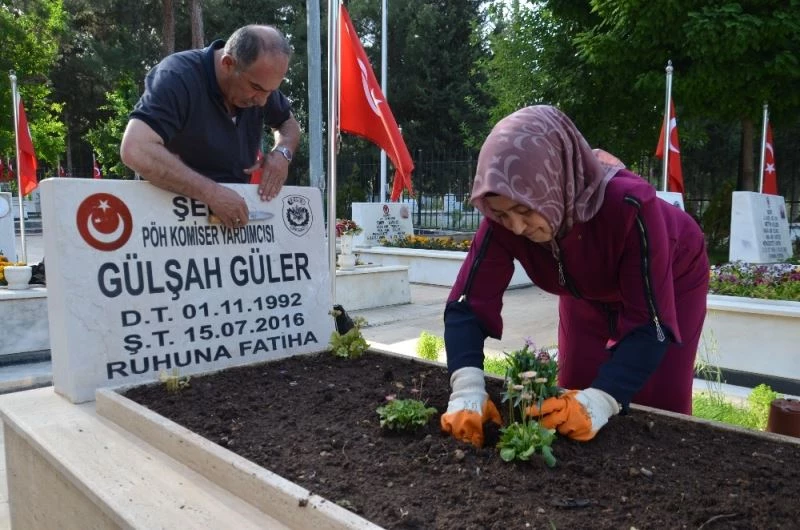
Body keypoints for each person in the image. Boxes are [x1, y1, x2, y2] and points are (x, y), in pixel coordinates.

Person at [440, 105, 709, 447]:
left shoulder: (629, 207)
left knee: (657, 398)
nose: (518, 227)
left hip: (673, 275)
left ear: (553, 185)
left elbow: (650, 325)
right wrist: (466, 389)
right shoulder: (502, 218)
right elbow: (467, 301)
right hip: (585, 287)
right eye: (505, 215)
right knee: (574, 393)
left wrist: (603, 401)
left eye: (525, 209)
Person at [120, 25, 301, 228]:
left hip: (228, 223)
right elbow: (136, 149)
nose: (262, 101)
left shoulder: (260, 83)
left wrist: (282, 153)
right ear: (228, 64)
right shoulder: (178, 76)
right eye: (256, 88)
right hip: (167, 225)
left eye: (272, 91)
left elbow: (288, 123)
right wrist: (211, 194)